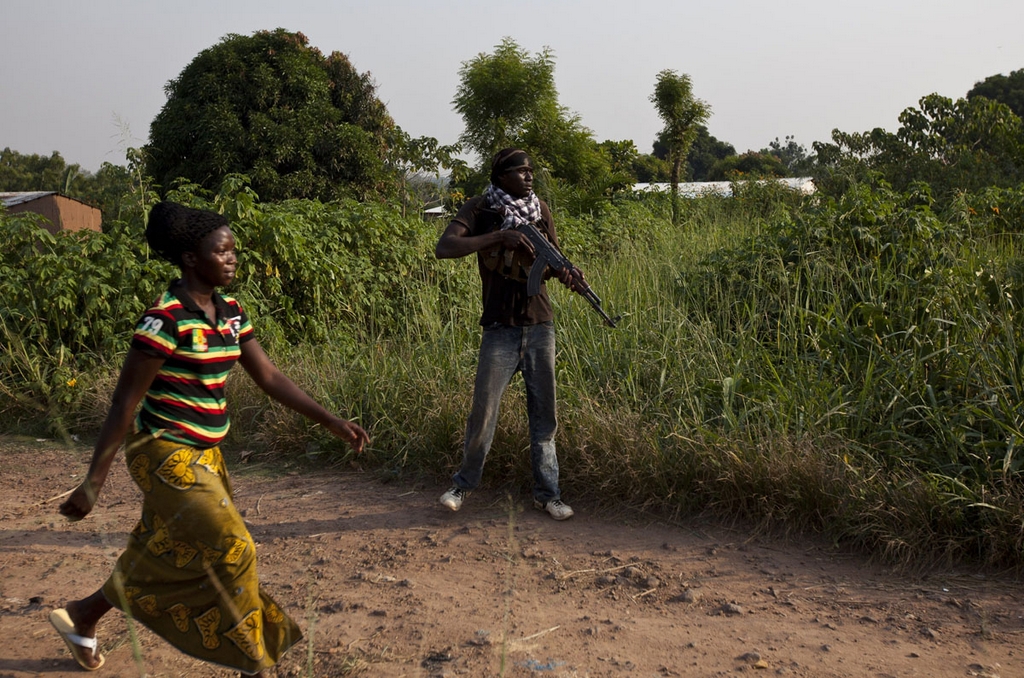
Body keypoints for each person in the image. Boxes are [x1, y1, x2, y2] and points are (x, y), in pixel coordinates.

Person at [49, 202, 369, 676]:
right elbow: (124, 404)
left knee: (166, 549)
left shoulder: (230, 312)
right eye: (222, 251)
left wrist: (331, 421)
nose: (232, 258)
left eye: (233, 250)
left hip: (206, 456)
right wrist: (92, 482)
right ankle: (255, 663)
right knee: (235, 547)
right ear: (190, 259)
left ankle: (82, 616)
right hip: (163, 453)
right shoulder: (164, 319)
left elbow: (269, 376)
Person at [435, 148, 585, 521]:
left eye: (531, 171)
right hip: (500, 328)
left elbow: (549, 264)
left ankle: (548, 495)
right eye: (520, 171)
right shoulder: (481, 209)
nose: (529, 176)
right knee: (483, 413)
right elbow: (445, 247)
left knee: (544, 417)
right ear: (501, 176)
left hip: (539, 326)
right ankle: (463, 485)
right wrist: (499, 237)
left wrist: (564, 273)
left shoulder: (540, 210)